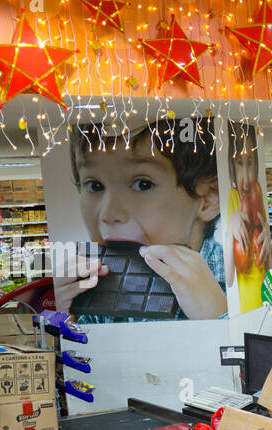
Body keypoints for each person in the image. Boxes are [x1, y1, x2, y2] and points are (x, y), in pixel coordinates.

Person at [58, 118, 226, 321]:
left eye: (142, 184)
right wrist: (64, 318)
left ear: (208, 198)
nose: (109, 214)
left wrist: (218, 317)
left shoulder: (237, 277)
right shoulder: (92, 289)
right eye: (95, 185)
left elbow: (263, 348)